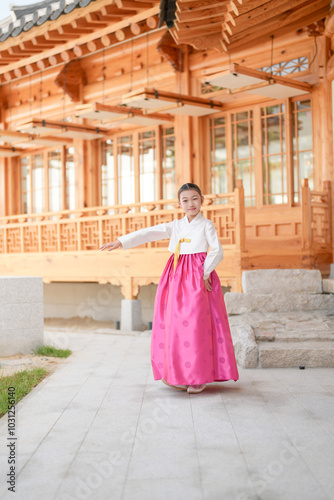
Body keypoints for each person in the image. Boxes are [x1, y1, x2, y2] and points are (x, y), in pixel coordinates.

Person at [100, 183, 239, 394]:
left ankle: (198, 377)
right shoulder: (175, 226)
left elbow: (217, 251)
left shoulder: (206, 225)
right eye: (185, 200)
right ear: (179, 203)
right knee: (176, 324)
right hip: (175, 275)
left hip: (198, 276)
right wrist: (121, 241)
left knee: (196, 324)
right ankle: (178, 373)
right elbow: (149, 232)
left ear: (202, 200)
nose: (190, 203)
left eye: (194, 198)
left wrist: (205, 272)